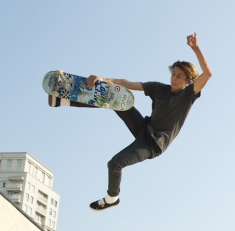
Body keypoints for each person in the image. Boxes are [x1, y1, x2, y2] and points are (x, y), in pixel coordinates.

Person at [85, 33, 212, 210]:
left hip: (154, 144)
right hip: (144, 127)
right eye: (173, 74)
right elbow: (126, 83)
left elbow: (207, 74)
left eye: (179, 76)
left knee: (114, 163)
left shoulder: (187, 95)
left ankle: (112, 198)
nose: (174, 79)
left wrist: (195, 48)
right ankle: (75, 100)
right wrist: (103, 79)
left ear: (188, 79)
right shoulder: (159, 88)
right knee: (118, 96)